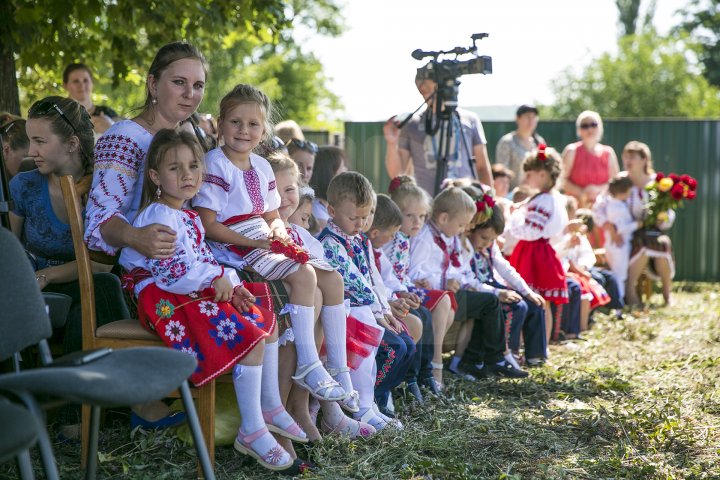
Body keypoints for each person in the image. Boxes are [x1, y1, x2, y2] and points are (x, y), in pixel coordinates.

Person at [118, 129, 304, 473]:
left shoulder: (186, 215)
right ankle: (251, 429)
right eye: (175, 169)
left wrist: (230, 283)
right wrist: (214, 280)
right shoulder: (158, 215)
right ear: (156, 177)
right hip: (164, 300)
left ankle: (271, 407)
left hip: (189, 289)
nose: (187, 175)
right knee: (249, 337)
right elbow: (171, 273)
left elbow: (205, 261)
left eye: (193, 166)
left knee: (264, 318)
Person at [192, 84, 353, 407]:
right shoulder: (215, 164)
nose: (244, 131)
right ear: (221, 124)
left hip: (261, 237)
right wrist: (256, 240)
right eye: (236, 122)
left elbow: (272, 214)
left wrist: (279, 230)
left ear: (264, 130)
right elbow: (208, 225)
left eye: (253, 124)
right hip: (232, 245)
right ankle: (308, 361)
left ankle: (338, 366)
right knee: (305, 276)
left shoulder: (263, 167)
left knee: (333, 280)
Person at [85, 41, 209, 427]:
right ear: (153, 84)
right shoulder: (124, 138)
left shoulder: (186, 138)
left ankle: (245, 407)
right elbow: (98, 223)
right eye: (179, 82)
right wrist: (137, 238)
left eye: (199, 85)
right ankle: (210, 406)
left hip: (181, 259)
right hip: (140, 273)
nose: (191, 94)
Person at [9, 96, 130, 437]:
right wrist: (31, 278)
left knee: (100, 287)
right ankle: (68, 410)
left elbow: (102, 267)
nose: (31, 151)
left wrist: (45, 276)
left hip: (77, 280)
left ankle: (73, 412)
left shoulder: (101, 187)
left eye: (40, 141)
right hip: (33, 284)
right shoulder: (25, 184)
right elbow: (13, 248)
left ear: (72, 143)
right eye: (30, 140)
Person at [268, 153, 376, 439]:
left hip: (300, 298)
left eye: (290, 189)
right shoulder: (264, 230)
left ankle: (323, 390)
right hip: (271, 297)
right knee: (315, 294)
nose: (284, 198)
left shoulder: (297, 233)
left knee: (328, 285)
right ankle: (290, 410)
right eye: (274, 191)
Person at [409, 186, 527, 379]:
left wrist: (457, 281)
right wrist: (444, 281)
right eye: (463, 225)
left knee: (487, 301)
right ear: (444, 218)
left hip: (448, 293)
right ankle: (489, 360)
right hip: (433, 294)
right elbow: (415, 271)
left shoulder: (449, 237)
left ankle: (479, 360)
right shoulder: (426, 238)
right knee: (489, 303)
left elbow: (459, 271)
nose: (465, 229)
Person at [318, 172, 400, 430]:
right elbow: (353, 280)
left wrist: (383, 307)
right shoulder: (330, 242)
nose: (360, 223)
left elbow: (372, 276)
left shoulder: (360, 240)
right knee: (363, 354)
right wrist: (375, 310)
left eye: (365, 217)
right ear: (331, 210)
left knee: (370, 356)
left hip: (364, 309)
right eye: (353, 218)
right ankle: (360, 408)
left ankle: (368, 404)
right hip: (341, 312)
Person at [384, 176, 455, 391]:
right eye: (410, 216)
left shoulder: (404, 239)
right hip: (392, 291)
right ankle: (421, 373)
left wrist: (410, 283)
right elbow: (385, 273)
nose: (418, 222)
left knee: (434, 305)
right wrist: (404, 287)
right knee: (431, 306)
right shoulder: (390, 239)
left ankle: (425, 371)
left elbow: (403, 272)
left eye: (422, 217)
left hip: (404, 287)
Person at [466, 204, 548, 366]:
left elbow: (504, 267)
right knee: (516, 306)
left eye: (492, 240)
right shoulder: (465, 246)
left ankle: (536, 355)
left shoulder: (489, 246)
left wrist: (526, 291)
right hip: (479, 288)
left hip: (492, 284)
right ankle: (507, 355)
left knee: (533, 303)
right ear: (472, 228)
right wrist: (498, 292)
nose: (488, 243)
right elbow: (470, 281)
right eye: (484, 238)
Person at [384, 72, 492, 195]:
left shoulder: (470, 119)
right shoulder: (412, 124)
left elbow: (482, 166)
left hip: (465, 204)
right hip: (427, 205)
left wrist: (489, 203)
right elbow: (398, 174)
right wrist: (391, 144)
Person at [507, 144, 569, 342]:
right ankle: (539, 344)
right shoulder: (548, 198)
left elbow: (530, 231)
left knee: (537, 299)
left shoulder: (543, 201)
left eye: (529, 174)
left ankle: (536, 343)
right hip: (539, 250)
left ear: (542, 174)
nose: (526, 179)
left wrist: (515, 215)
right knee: (541, 300)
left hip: (535, 252)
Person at [621, 141, 675, 306]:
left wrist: (662, 217)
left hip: (654, 231)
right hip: (630, 233)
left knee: (662, 243)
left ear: (644, 160)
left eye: (633, 156)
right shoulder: (621, 181)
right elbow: (610, 206)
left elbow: (670, 213)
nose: (628, 160)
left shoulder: (657, 183)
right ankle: (630, 291)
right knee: (644, 244)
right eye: (626, 156)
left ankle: (667, 292)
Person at [561, 111, 620, 208]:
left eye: (593, 124)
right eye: (585, 126)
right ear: (579, 130)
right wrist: (581, 192)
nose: (589, 129)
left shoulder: (608, 153)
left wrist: (597, 190)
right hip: (575, 208)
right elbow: (561, 179)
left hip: (603, 209)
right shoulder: (571, 151)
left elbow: (616, 183)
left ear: (600, 127)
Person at [598, 174, 642, 303]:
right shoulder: (618, 208)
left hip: (611, 244)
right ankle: (619, 303)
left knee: (615, 273)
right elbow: (620, 228)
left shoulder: (611, 204)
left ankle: (615, 301)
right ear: (624, 192)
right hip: (619, 245)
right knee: (620, 275)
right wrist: (637, 224)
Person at [495, 104, 545, 190]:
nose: (531, 121)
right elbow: (502, 173)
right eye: (527, 117)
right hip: (513, 194)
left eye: (534, 117)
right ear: (517, 119)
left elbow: (543, 168)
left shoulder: (540, 143)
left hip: (535, 194)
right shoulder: (507, 142)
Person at [62, 63, 121, 136]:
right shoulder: (58, 114)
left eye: (85, 80)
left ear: (92, 83)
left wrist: (111, 128)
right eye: (76, 81)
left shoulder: (108, 114)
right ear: (65, 86)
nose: (82, 85)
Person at [309, 145, 348, 232]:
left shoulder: (324, 205)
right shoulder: (316, 210)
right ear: (329, 174)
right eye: (342, 167)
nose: (346, 170)